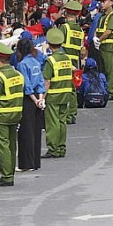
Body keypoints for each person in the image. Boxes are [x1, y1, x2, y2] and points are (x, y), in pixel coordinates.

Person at [0, 42, 23, 187]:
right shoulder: (17, 74)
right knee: (12, 145)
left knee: (2, 146)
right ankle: (11, 173)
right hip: (16, 113)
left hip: (3, 115)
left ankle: (7, 176)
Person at [14, 37, 45, 172]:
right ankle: (35, 162)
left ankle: (26, 163)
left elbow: (26, 85)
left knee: (25, 132)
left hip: (28, 100)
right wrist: (40, 99)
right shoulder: (35, 62)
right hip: (38, 99)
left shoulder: (22, 65)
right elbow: (40, 82)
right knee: (36, 132)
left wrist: (33, 99)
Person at [42, 29, 72, 159]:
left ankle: (53, 148)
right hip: (66, 94)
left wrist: (42, 97)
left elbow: (47, 81)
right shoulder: (67, 58)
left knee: (52, 122)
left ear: (49, 44)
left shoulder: (50, 61)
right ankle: (61, 147)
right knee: (62, 121)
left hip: (53, 95)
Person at [58, 0, 85, 125]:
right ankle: (72, 114)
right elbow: (82, 50)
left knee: (64, 88)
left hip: (64, 61)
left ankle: (66, 115)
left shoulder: (64, 28)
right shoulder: (80, 31)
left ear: (65, 12)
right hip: (76, 61)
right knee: (73, 88)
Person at [94, 0, 113, 100]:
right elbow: (98, 30)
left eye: (104, 1)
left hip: (110, 47)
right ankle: (105, 90)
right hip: (102, 47)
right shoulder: (102, 17)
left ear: (111, 2)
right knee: (103, 70)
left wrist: (98, 40)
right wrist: (95, 38)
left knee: (110, 70)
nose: (101, 4)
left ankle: (111, 91)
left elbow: (109, 31)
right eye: (101, 1)